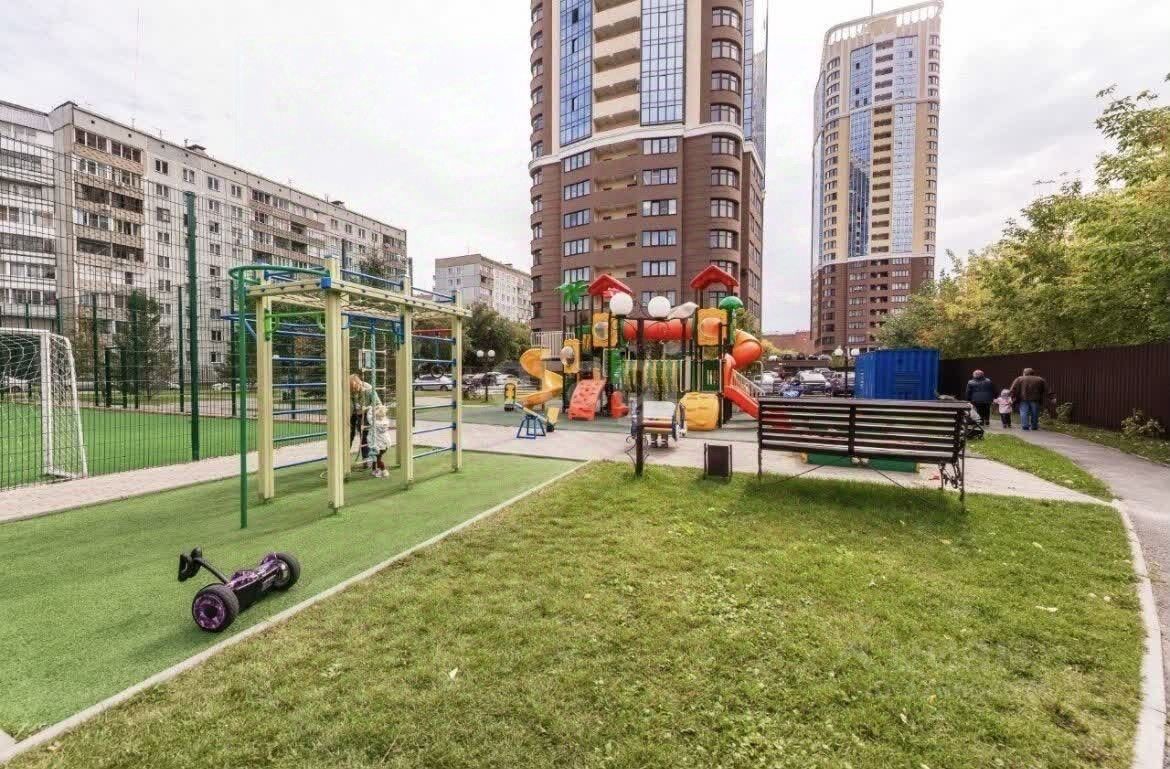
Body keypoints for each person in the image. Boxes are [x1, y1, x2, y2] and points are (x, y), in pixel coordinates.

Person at [349, 374, 382, 468]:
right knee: (348, 434)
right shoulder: (349, 390)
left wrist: (369, 409)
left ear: (359, 383)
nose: (354, 391)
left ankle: (366, 459)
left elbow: (378, 404)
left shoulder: (368, 389)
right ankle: (343, 457)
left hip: (366, 413)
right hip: (352, 412)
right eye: (352, 389)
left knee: (364, 435)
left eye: (355, 388)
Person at [366, 404, 393, 478]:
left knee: (377, 459)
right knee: (376, 457)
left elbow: (369, 417)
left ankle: (384, 471)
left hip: (378, 445)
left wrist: (370, 409)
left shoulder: (375, 423)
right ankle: (375, 470)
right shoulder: (386, 421)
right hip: (385, 444)